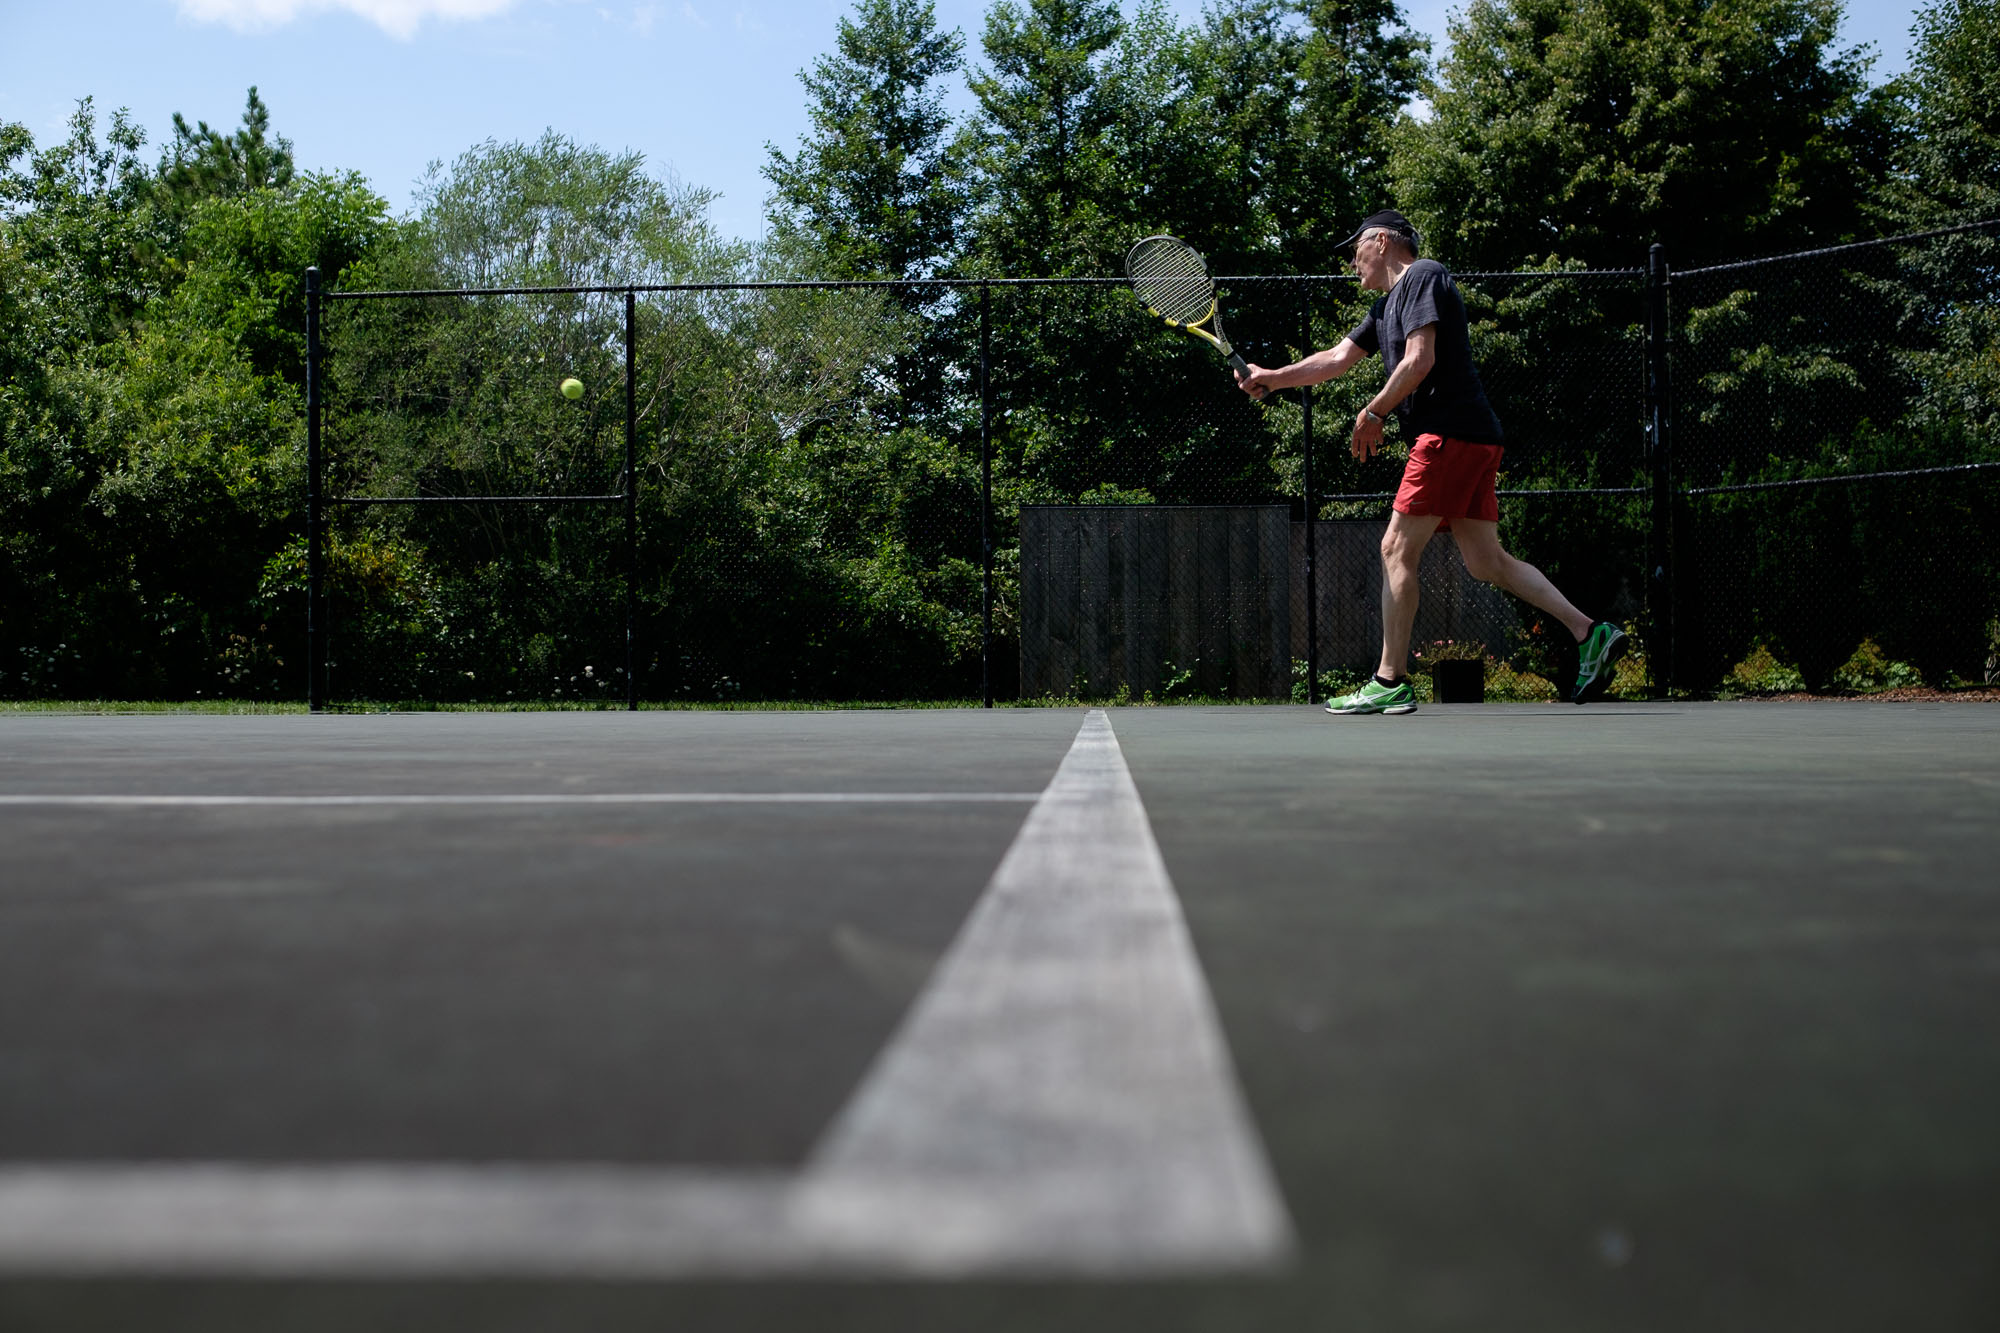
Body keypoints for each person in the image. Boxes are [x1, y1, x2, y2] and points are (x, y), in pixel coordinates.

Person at [1234, 208, 1626, 713]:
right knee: (1487, 562)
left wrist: (1374, 411)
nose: (1352, 263)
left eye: (1355, 250)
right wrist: (1271, 375)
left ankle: (1389, 678)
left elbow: (1421, 360)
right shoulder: (1383, 310)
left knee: (1396, 548)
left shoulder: (1423, 275)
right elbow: (1335, 360)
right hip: (1473, 438)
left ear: (1380, 242)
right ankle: (1588, 632)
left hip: (1448, 435)